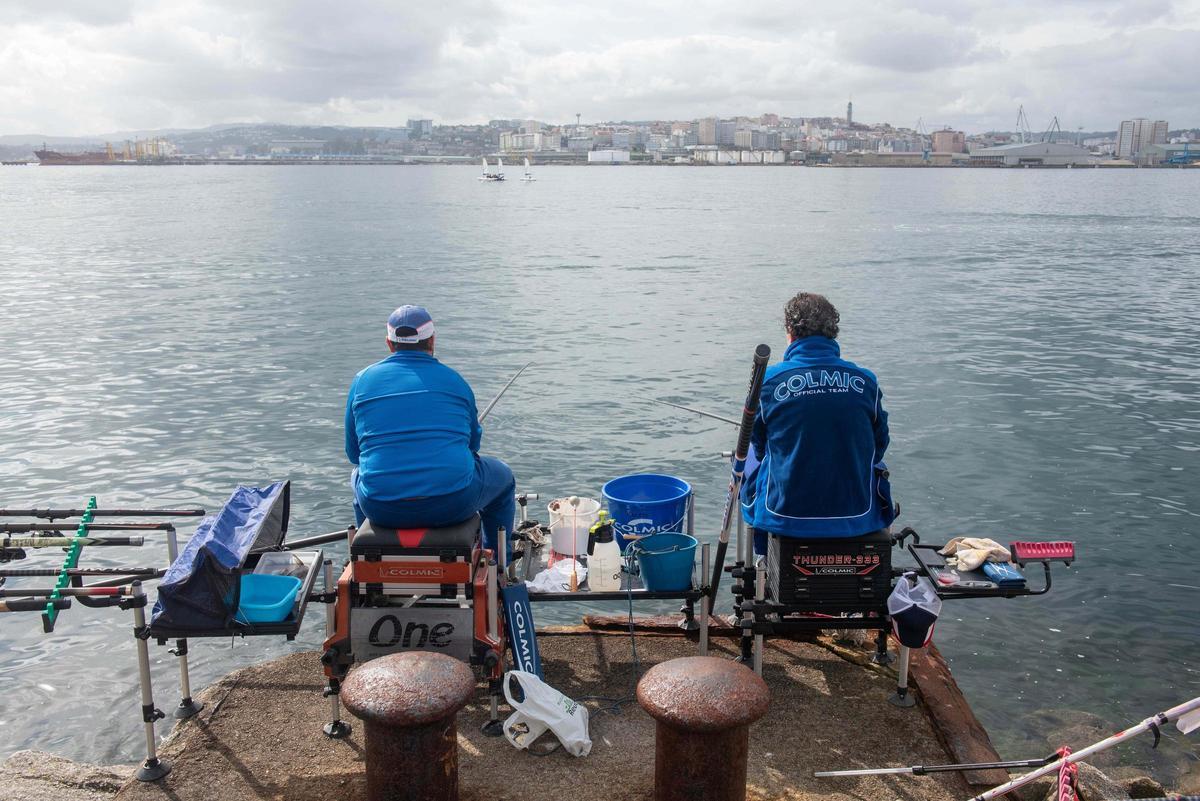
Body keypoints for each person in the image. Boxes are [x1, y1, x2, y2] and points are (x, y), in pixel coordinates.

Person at [344, 305, 515, 552]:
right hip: (452, 503)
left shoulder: (361, 381)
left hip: (380, 507)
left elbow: (354, 455)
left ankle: (370, 558)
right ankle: (498, 566)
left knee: (358, 475)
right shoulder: (455, 381)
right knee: (504, 478)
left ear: (389, 344)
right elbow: (472, 447)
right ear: (432, 340)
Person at [742, 292, 896, 549]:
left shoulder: (768, 380)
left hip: (785, 515)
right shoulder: (866, 381)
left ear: (790, 332)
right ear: (832, 333)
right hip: (856, 513)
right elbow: (879, 445)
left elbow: (759, 444)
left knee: (746, 456)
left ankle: (762, 559)